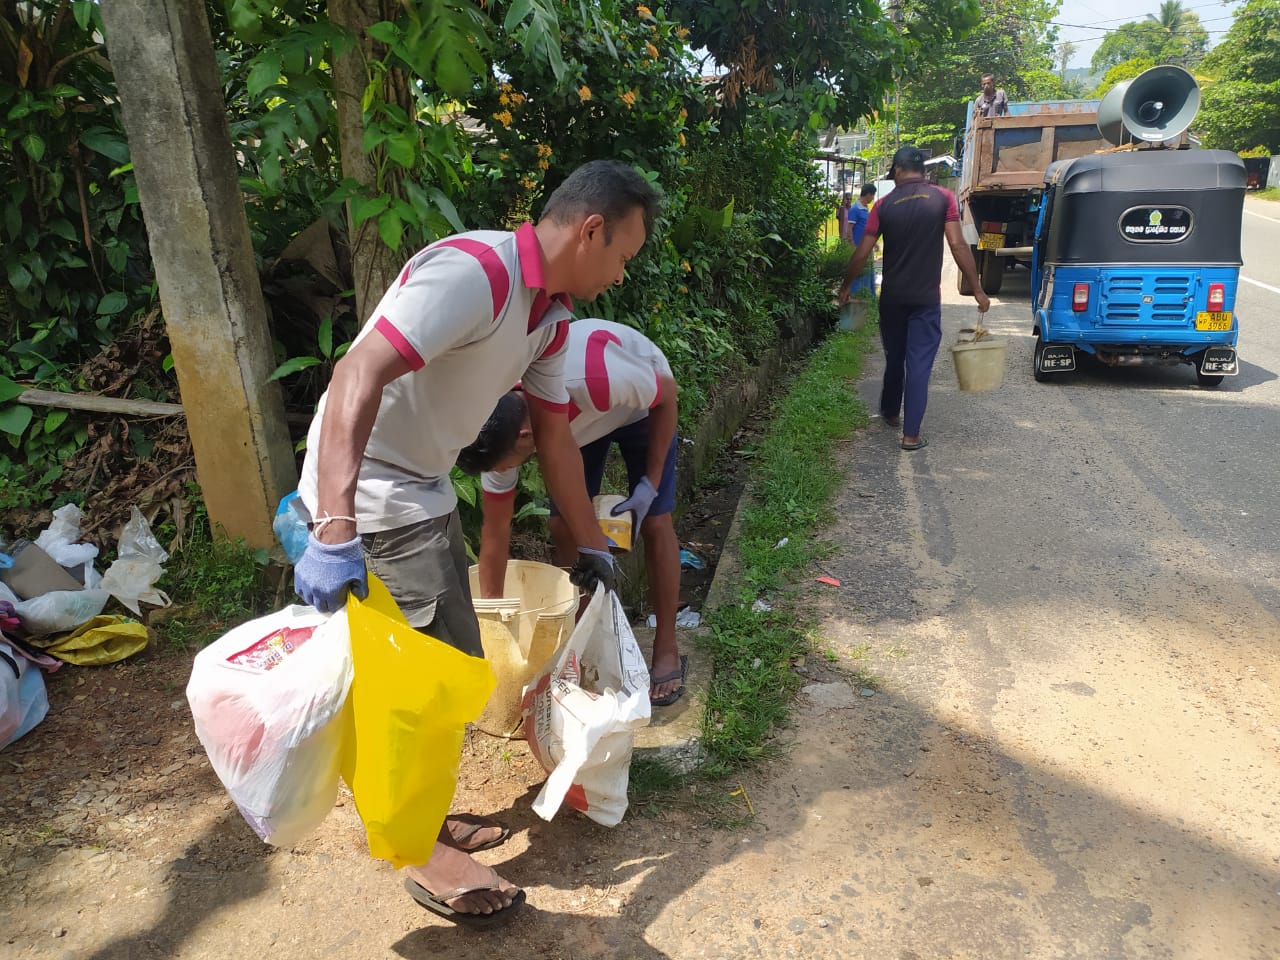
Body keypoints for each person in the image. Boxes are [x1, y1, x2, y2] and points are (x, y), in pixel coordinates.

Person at [292, 160, 660, 928]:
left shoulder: (549, 318)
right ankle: (420, 852)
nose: (622, 275)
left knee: (447, 666)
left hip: (420, 486)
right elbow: (357, 370)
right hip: (374, 494)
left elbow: (554, 437)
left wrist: (590, 544)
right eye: (624, 254)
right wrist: (333, 525)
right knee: (428, 678)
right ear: (591, 230)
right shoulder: (478, 272)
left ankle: (423, 817)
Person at [457, 318, 686, 705]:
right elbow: (495, 537)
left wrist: (650, 480)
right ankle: (585, 632)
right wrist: (495, 632)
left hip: (640, 407)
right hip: (572, 427)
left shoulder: (594, 380)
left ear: (526, 437)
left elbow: (667, 396)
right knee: (562, 524)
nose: (507, 473)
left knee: (655, 522)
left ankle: (666, 645)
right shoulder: (497, 430)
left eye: (508, 465)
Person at [839, 146, 989, 451]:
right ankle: (911, 435)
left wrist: (845, 287)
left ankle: (891, 412)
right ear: (924, 171)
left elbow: (862, 252)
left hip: (893, 297)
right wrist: (977, 289)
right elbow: (959, 246)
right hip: (925, 299)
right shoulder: (942, 198)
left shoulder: (882, 205)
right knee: (918, 363)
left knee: (895, 356)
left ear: (897, 170)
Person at [847, 183, 878, 297]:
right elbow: (849, 230)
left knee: (868, 272)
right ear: (868, 194)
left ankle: (868, 295)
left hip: (866, 247)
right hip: (858, 247)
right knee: (859, 272)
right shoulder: (855, 209)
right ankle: (857, 295)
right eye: (873, 196)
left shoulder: (865, 209)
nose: (873, 199)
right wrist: (852, 247)